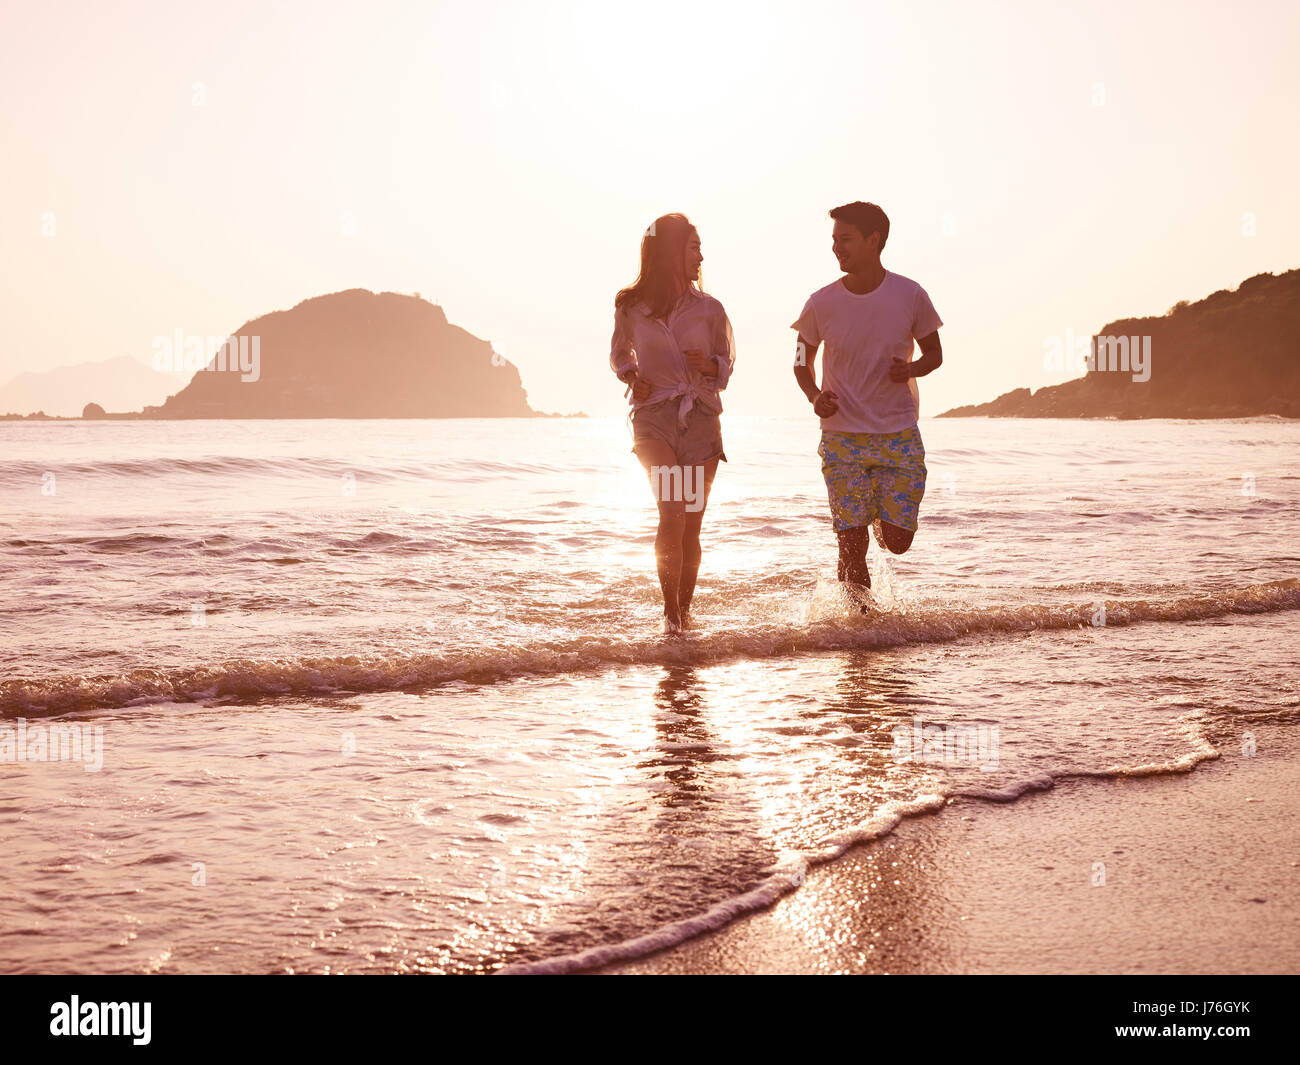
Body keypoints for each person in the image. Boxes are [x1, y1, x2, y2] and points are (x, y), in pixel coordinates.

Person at [791, 201, 944, 608]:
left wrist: (911, 368)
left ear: (873, 240)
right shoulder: (820, 302)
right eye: (834, 240)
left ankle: (875, 514)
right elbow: (799, 360)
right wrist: (814, 395)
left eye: (846, 240)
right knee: (851, 544)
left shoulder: (910, 295)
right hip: (842, 437)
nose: (837, 248)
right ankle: (861, 628)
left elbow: (935, 354)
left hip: (898, 434)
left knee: (897, 541)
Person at [610, 213, 735, 634]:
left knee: (692, 524)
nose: (701, 255)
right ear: (671, 252)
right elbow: (619, 354)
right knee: (673, 512)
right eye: (694, 246)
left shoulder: (711, 309)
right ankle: (670, 618)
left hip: (701, 420)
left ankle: (684, 615)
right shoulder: (631, 306)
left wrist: (711, 364)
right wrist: (631, 376)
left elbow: (726, 364)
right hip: (654, 421)